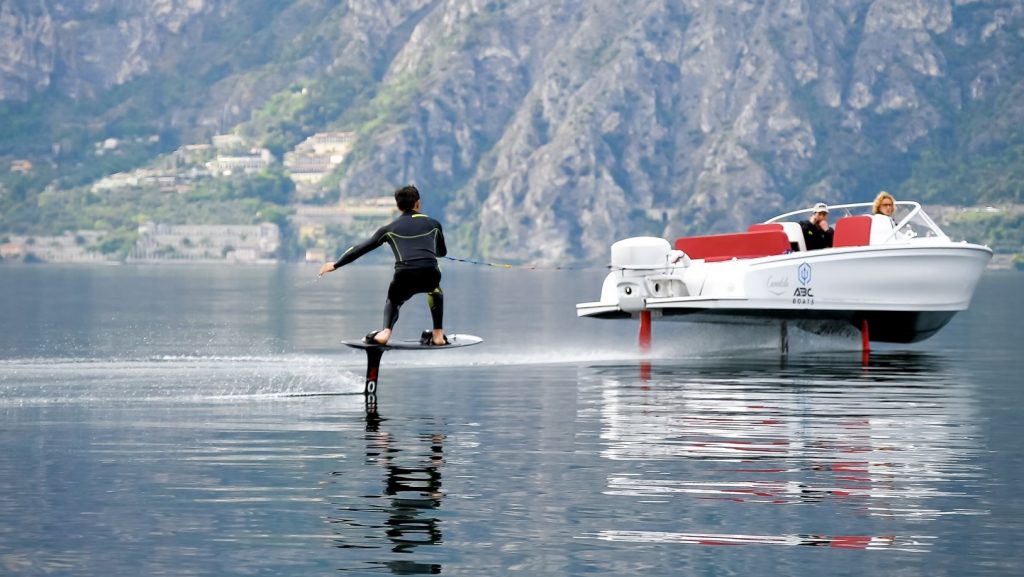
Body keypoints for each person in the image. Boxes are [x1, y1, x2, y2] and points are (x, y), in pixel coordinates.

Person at [319, 185, 448, 346]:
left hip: (404, 274)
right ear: (418, 204)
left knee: (393, 300)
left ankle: (385, 332)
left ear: (398, 206)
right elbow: (442, 252)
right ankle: (438, 335)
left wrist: (336, 264)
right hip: (430, 273)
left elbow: (360, 248)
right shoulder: (434, 224)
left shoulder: (388, 229)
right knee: (435, 291)